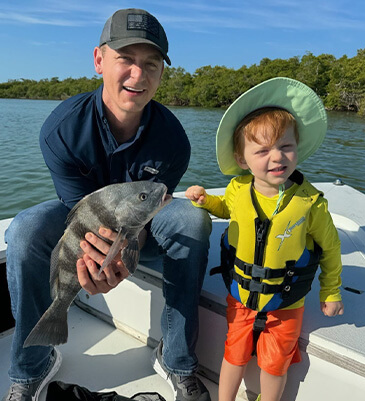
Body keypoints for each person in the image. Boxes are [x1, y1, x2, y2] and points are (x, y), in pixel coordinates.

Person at [3, 9, 212, 401]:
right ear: (99, 60)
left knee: (192, 220)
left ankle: (177, 359)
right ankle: (32, 364)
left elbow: (149, 218)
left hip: (139, 229)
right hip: (84, 226)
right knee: (25, 229)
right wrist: (99, 262)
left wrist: (125, 258)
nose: (138, 75)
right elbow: (79, 218)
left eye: (151, 64)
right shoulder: (61, 130)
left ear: (162, 74)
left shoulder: (173, 141)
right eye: (125, 60)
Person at [185, 77, 344, 401]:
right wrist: (206, 202)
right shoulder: (237, 189)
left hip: (287, 303)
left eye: (286, 147)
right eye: (263, 150)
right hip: (240, 296)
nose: (277, 158)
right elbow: (227, 208)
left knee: (275, 365)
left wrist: (331, 291)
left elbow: (330, 247)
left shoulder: (310, 203)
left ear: (297, 149)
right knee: (234, 354)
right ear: (242, 159)